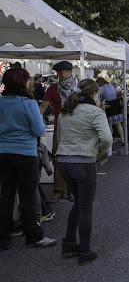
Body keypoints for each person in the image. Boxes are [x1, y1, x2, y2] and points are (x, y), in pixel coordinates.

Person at [0, 68, 57, 250]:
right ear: (22, 82)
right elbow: (39, 130)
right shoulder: (28, 102)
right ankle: (33, 234)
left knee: (6, 195)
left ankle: (3, 236)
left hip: (3, 153)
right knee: (27, 195)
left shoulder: (1, 102)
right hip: (25, 153)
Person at [57, 79, 112, 264]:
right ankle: (84, 250)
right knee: (86, 206)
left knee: (79, 202)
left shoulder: (65, 111)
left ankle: (69, 242)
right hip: (83, 161)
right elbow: (106, 139)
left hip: (63, 161)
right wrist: (98, 150)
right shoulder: (95, 112)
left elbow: (59, 137)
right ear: (94, 94)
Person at [40, 60, 76, 203]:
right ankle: (59, 190)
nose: (59, 75)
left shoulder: (79, 88)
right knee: (58, 159)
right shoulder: (53, 89)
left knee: (74, 159)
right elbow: (43, 106)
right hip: (59, 128)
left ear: (70, 72)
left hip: (76, 129)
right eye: (58, 72)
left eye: (62, 72)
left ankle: (73, 190)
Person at [96, 77, 125, 145]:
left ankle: (110, 141)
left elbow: (99, 99)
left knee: (109, 124)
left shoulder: (101, 89)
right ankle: (123, 139)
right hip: (116, 104)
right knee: (118, 123)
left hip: (109, 106)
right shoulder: (111, 86)